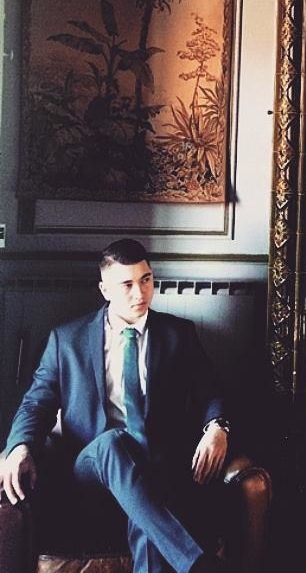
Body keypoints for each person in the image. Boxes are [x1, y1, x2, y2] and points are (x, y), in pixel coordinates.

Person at [0, 238, 231, 572]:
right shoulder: (67, 340)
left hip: (155, 468)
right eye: (127, 285)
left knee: (147, 497)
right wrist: (20, 445)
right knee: (113, 442)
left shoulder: (178, 334)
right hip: (91, 468)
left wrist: (217, 428)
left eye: (146, 279)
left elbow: (210, 391)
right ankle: (198, 564)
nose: (140, 293)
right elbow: (36, 403)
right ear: (105, 290)